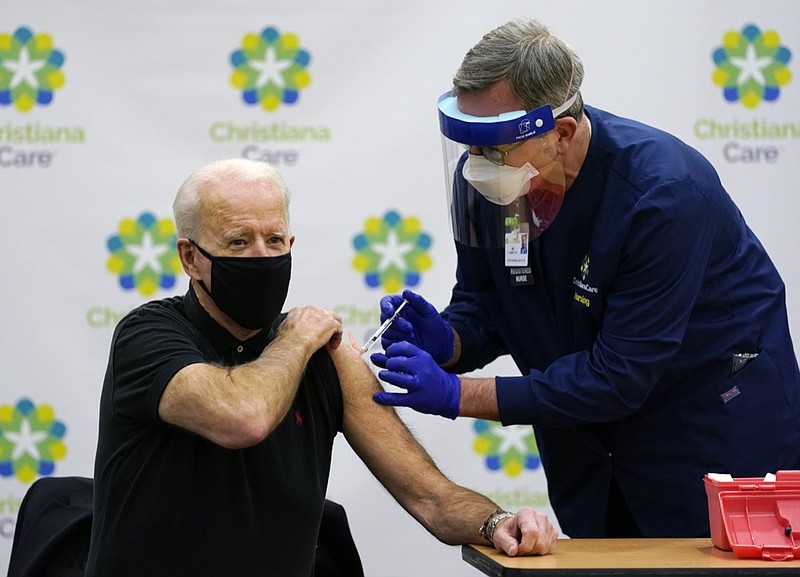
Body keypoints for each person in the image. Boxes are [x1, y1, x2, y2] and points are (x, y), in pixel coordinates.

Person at [370, 18, 800, 539]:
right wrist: (451, 340)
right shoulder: (492, 185)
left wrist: (456, 393)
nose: (476, 166)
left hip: (708, 439)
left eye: (494, 149)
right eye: (470, 145)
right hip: (590, 453)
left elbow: (618, 375)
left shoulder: (663, 196)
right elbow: (488, 302)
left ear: (563, 134)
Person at [84, 158, 557, 577]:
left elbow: (430, 497)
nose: (262, 258)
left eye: (274, 240)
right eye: (238, 241)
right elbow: (242, 416)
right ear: (191, 257)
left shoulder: (323, 356)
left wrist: (496, 522)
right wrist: (295, 338)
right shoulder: (147, 336)